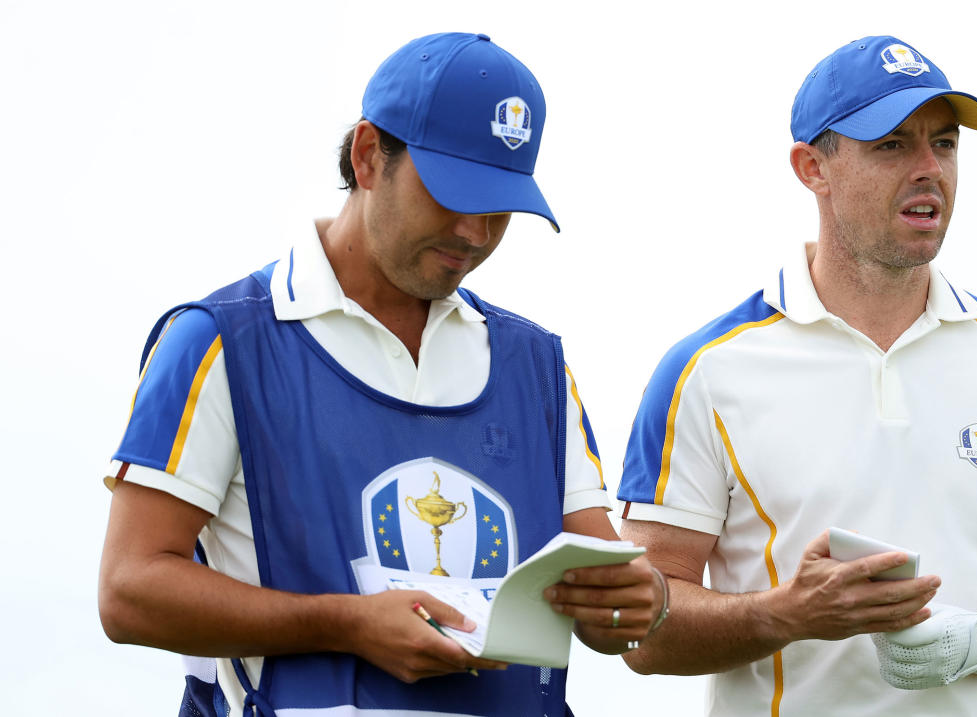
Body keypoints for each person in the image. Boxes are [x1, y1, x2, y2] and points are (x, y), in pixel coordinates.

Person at [97, 32, 664, 717]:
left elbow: (602, 598)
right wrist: (347, 623)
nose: (476, 232)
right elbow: (129, 591)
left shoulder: (536, 364)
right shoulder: (220, 340)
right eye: (454, 194)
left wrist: (639, 601)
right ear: (368, 156)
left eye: (499, 208)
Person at [615, 35, 977, 716]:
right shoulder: (706, 371)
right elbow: (637, 629)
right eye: (892, 145)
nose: (929, 169)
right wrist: (786, 614)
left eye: (944, 144)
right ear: (812, 168)